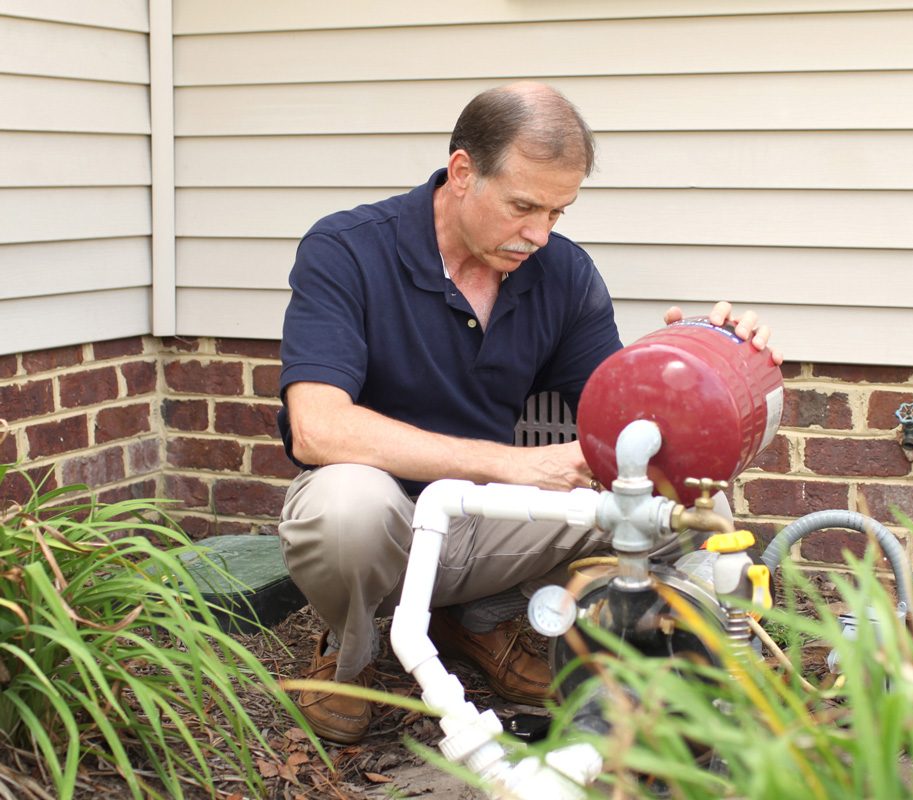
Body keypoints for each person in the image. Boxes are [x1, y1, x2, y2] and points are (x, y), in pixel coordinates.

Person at [276, 81, 781, 745]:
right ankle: (351, 657)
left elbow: (620, 422)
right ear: (462, 173)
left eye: (557, 213)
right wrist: (514, 465)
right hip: (389, 522)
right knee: (346, 505)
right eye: (523, 207)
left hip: (490, 524)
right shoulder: (347, 250)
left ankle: (491, 625)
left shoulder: (563, 275)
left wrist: (703, 359)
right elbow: (319, 427)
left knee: (684, 515)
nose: (539, 234)